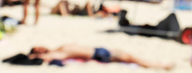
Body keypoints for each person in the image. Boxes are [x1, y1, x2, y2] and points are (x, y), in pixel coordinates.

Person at [28, 43, 174, 69]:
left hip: (99, 50)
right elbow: (41, 59)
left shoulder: (57, 48)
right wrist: (31, 57)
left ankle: (158, 64)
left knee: (129, 56)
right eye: (37, 49)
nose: (40, 47)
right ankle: (159, 65)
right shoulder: (56, 53)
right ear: (38, 53)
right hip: (99, 55)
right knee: (131, 57)